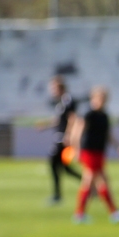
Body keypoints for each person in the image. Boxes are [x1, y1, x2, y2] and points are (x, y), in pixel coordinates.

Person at [67, 86, 119, 224]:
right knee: (95, 180)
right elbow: (76, 133)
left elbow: (108, 135)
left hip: (99, 152)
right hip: (89, 151)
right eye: (99, 98)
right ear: (94, 98)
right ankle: (111, 213)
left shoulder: (104, 116)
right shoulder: (87, 114)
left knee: (93, 181)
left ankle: (82, 214)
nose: (101, 101)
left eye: (104, 99)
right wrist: (76, 150)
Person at [38, 75, 82, 204]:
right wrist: (45, 125)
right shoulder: (61, 102)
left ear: (60, 87)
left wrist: (69, 135)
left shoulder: (68, 100)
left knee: (53, 162)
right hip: (60, 136)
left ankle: (57, 195)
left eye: (53, 87)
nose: (52, 90)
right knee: (65, 167)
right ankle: (89, 185)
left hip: (63, 138)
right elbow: (59, 120)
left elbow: (73, 118)